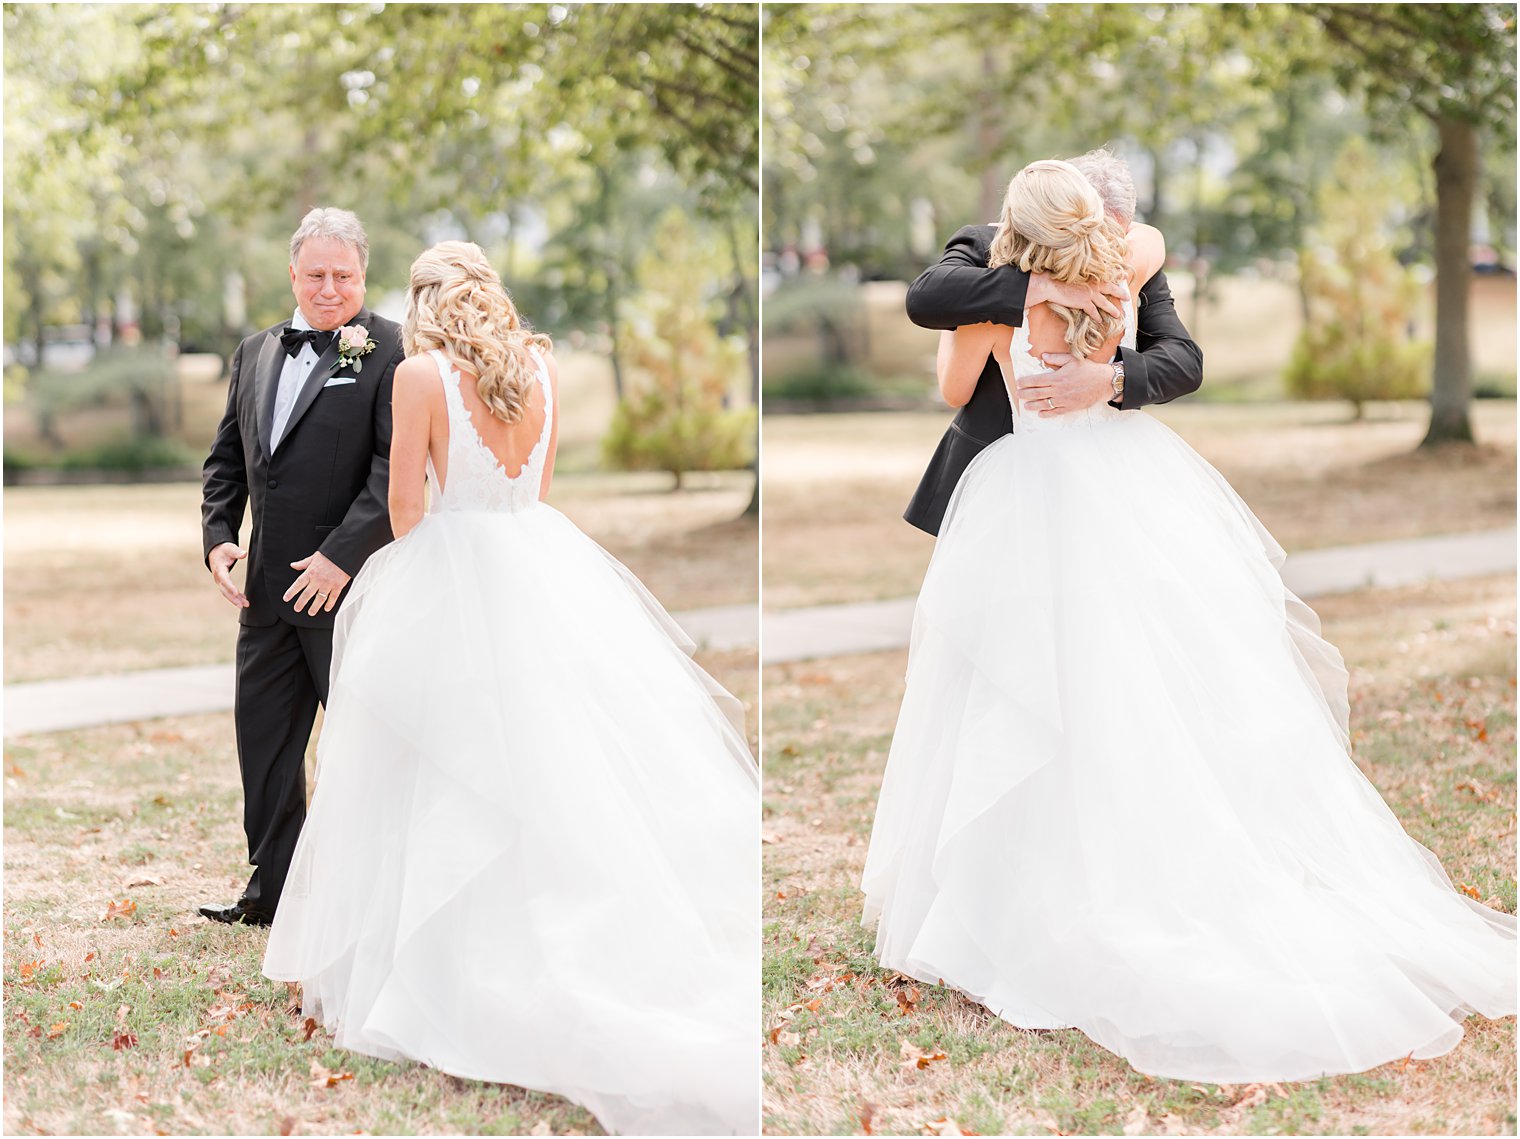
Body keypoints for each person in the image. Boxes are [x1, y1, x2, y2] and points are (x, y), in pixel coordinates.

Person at [861, 159, 1515, 1083]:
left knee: (1059, 679)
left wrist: (1104, 377)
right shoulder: (1100, 272)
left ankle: (1028, 894)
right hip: (1115, 486)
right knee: (1085, 673)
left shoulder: (1066, 280)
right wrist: (1050, 288)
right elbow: (937, 291)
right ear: (1096, 217)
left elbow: (990, 376)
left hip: (1044, 493)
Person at [261, 242, 759, 1136]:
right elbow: (540, 482)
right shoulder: (542, 364)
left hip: (447, 574)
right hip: (542, 563)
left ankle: (441, 959)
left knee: (444, 766)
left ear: (421, 302)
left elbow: (405, 510)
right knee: (552, 758)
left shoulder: (419, 375)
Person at [200, 207, 403, 926]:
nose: (328, 288)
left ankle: (363, 898)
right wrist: (220, 536)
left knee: (361, 748)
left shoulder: (391, 350)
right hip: (263, 595)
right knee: (264, 746)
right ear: (292, 272)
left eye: (343, 275)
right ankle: (274, 896)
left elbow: (393, 474)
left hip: (347, 592)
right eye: (315, 274)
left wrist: (339, 557)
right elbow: (227, 459)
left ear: (363, 274)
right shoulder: (254, 351)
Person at [902, 148, 1202, 535]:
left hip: (1051, 471)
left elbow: (1185, 362)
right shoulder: (1126, 271)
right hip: (1038, 464)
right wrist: (1037, 286)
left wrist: (1108, 379)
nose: (1105, 243)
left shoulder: (1132, 260)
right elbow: (925, 297)